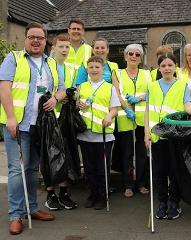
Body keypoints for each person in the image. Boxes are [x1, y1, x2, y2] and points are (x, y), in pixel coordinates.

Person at [0, 22, 66, 235]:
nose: (36, 40)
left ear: (45, 40)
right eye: (32, 37)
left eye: (40, 37)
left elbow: (63, 89)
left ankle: (32, 208)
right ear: (25, 39)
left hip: (41, 127)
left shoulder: (52, 63)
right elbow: (4, 88)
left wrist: (56, 98)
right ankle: (16, 215)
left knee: (32, 170)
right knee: (16, 170)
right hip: (18, 125)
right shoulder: (14, 59)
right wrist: (10, 118)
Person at [144, 53, 191, 220]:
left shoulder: (182, 86)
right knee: (159, 172)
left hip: (174, 137)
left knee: (174, 172)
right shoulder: (151, 86)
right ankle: (162, 202)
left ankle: (174, 202)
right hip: (157, 137)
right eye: (163, 66)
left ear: (175, 67)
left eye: (170, 65)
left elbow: (188, 107)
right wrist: (146, 134)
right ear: (159, 68)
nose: (166, 68)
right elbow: (147, 111)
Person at [77, 56, 120, 210]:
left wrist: (109, 116)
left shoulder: (110, 88)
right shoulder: (81, 87)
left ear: (103, 70)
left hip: (104, 135)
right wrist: (78, 105)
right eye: (91, 67)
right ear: (87, 69)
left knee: (102, 167)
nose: (94, 70)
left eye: (97, 67)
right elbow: (77, 107)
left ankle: (103, 196)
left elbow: (115, 108)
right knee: (89, 168)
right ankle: (92, 194)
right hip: (85, 134)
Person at [42, 33, 78, 211]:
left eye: (67, 47)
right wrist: (59, 96)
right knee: (49, 157)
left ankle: (64, 194)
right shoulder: (45, 65)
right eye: (61, 46)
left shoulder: (72, 68)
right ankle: (50, 195)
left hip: (65, 117)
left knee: (66, 157)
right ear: (53, 47)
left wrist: (71, 95)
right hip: (47, 118)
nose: (64, 50)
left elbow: (76, 89)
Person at [112, 44, 151, 198]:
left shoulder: (148, 74)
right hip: (125, 117)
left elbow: (151, 92)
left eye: (137, 54)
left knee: (141, 152)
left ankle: (141, 183)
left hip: (143, 118)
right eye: (130, 54)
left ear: (141, 58)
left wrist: (139, 98)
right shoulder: (118, 73)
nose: (134, 56)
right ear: (125, 56)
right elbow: (116, 93)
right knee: (127, 152)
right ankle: (128, 184)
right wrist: (126, 107)